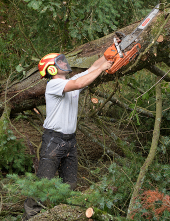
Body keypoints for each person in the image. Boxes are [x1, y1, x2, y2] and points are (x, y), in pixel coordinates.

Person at [23, 53, 113, 219]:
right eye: (60, 62)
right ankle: (30, 216)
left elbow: (92, 68)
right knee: (44, 184)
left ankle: (61, 214)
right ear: (51, 68)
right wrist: (102, 68)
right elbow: (80, 82)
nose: (64, 63)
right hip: (53, 140)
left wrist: (110, 52)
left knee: (70, 184)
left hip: (70, 140)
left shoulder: (69, 82)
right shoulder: (54, 84)